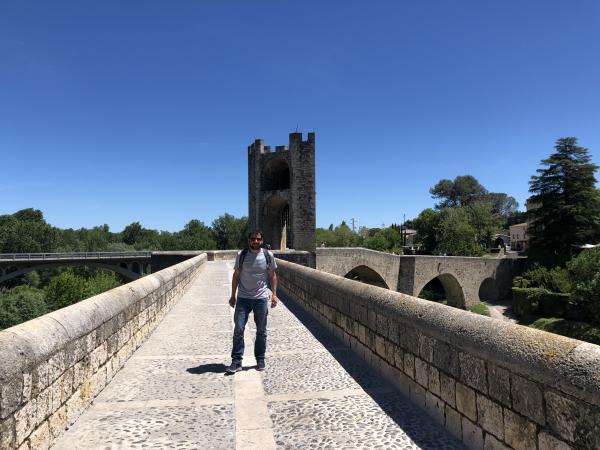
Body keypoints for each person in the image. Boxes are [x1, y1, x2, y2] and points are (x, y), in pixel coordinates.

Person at [227, 229, 278, 373]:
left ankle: (260, 359)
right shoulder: (241, 255)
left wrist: (274, 294)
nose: (255, 241)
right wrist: (233, 295)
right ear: (249, 240)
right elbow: (236, 275)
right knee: (238, 329)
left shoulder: (268, 256)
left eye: (258, 239)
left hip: (261, 298)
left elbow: (272, 275)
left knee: (261, 331)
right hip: (243, 298)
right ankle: (236, 362)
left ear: (262, 240)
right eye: (253, 239)